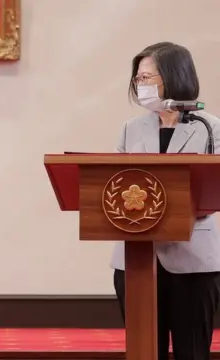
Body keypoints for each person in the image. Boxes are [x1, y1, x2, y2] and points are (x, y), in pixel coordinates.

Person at [111, 41, 220, 360]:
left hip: (193, 259)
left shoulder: (209, 128)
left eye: (147, 78)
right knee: (145, 352)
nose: (140, 86)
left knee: (191, 352)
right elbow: (114, 185)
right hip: (134, 260)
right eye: (137, 80)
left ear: (173, 77)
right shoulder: (130, 129)